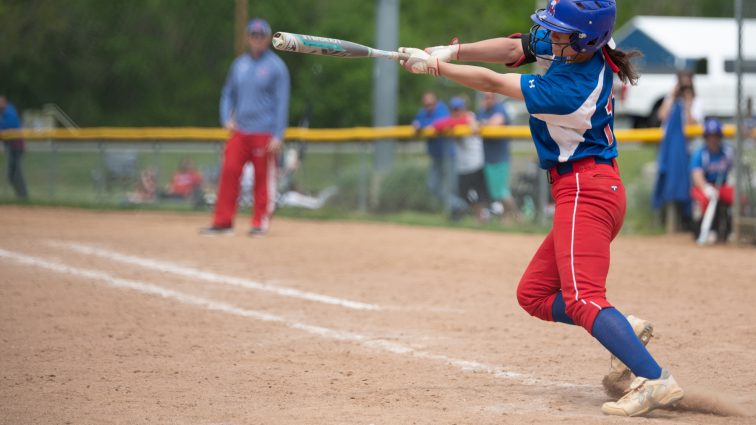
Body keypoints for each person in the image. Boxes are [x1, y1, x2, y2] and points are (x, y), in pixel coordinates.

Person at [399, 0, 683, 417]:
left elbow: (495, 84)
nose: (551, 36)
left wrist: (437, 68)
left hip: (588, 190)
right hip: (588, 187)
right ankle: (623, 329)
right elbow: (515, 50)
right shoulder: (584, 46)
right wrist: (451, 51)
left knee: (584, 299)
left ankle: (655, 379)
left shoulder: (568, 92)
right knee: (533, 294)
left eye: (560, 31)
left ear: (584, 39)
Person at [201, 18, 290, 236]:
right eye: (253, 35)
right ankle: (223, 221)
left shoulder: (276, 67)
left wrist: (278, 135)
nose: (257, 39)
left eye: (261, 35)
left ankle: (260, 221)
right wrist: (226, 118)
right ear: (248, 37)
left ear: (268, 38)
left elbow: (282, 103)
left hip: (265, 131)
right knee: (229, 172)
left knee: (263, 179)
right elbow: (227, 95)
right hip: (240, 130)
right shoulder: (239, 64)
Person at [652, 70, 704, 232]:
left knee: (687, 186)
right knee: (668, 182)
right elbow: (661, 115)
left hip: (689, 151)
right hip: (670, 151)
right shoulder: (671, 99)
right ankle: (669, 223)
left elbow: (691, 125)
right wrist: (673, 96)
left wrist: (688, 104)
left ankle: (688, 223)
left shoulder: (697, 103)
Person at [433, 95, 488, 221]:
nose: (456, 111)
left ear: (463, 109)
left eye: (458, 109)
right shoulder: (455, 121)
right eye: (454, 109)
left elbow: (459, 122)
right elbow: (437, 125)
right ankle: (477, 217)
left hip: (475, 163)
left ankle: (483, 218)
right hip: (462, 166)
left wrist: (450, 123)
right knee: (465, 195)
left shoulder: (470, 117)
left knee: (477, 195)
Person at [412, 91, 467, 219]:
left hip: (448, 155)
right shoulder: (423, 112)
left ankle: (456, 212)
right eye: (426, 104)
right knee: (433, 186)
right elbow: (417, 122)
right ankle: (459, 205)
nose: (428, 106)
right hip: (436, 155)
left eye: (430, 103)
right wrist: (419, 124)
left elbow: (438, 124)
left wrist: (422, 125)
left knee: (451, 186)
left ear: (436, 102)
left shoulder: (442, 109)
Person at [477, 91, 521, 222]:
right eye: (485, 97)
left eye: (489, 97)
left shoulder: (499, 108)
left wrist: (482, 124)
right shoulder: (482, 111)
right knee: (496, 192)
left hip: (501, 157)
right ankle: (506, 218)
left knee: (502, 192)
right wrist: (481, 124)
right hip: (488, 157)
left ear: (494, 98)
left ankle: (518, 216)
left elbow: (497, 122)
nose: (487, 100)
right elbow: (473, 123)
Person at [690, 117, 734, 242]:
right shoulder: (701, 154)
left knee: (738, 197)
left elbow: (734, 170)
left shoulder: (727, 152)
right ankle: (704, 230)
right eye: (710, 136)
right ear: (706, 137)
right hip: (705, 186)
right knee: (705, 199)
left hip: (722, 186)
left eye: (716, 136)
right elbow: (696, 175)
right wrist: (706, 187)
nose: (713, 139)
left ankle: (732, 230)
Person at [0, 95, 28, 200]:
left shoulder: (9, 112)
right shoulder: (2, 114)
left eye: (1, 102)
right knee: (11, 174)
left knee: (15, 172)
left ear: (5, 102)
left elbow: (9, 126)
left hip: (17, 144)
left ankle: (24, 196)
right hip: (10, 145)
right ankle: (21, 196)